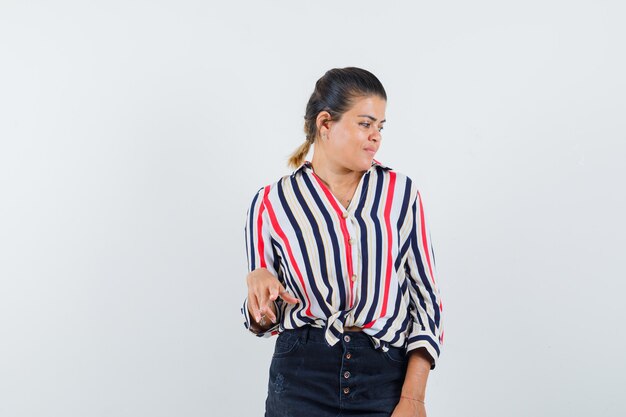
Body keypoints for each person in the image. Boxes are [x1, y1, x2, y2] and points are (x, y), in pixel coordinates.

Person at [241, 67, 443, 417]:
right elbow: (262, 320)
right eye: (365, 124)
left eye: (380, 127)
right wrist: (259, 299)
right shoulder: (271, 203)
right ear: (325, 123)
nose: (376, 136)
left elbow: (426, 302)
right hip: (299, 377)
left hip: (384, 380)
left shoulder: (400, 194)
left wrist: (414, 397)